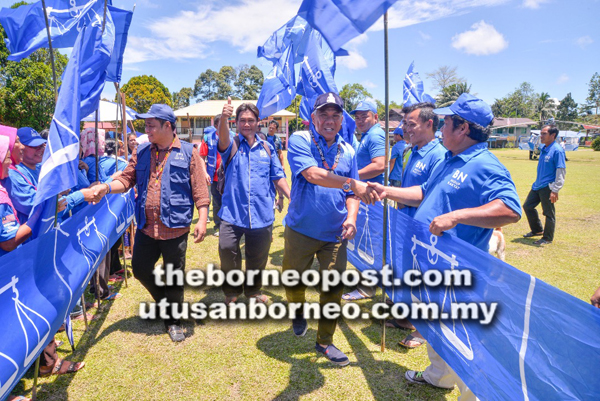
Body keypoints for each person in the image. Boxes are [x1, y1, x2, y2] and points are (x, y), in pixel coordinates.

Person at [368, 93, 522, 400]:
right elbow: (424, 192)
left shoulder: (485, 165)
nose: (441, 128)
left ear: (463, 128)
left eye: (448, 122)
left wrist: (457, 216)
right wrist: (388, 190)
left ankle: (472, 394)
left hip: (457, 269)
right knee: (432, 323)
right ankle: (438, 376)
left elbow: (511, 210)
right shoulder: (449, 158)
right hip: (431, 261)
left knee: (461, 335)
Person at [90, 104, 210, 342]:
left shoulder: (188, 152)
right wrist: (105, 188)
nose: (147, 129)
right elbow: (126, 180)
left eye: (151, 125)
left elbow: (199, 189)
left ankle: (173, 322)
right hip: (146, 225)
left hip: (175, 227)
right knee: (141, 268)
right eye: (146, 125)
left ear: (168, 126)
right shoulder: (143, 152)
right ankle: (167, 305)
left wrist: (203, 219)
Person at [283, 92, 377, 367]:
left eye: (336, 115)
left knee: (333, 290)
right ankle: (298, 310)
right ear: (313, 118)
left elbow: (353, 195)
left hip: (335, 234)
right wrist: (352, 183)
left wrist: (351, 218)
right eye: (324, 114)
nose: (330, 120)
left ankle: (324, 341)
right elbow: (312, 174)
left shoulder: (347, 150)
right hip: (300, 229)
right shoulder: (300, 139)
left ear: (341, 120)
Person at [216, 98, 290, 304]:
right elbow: (222, 138)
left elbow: (278, 175)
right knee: (226, 250)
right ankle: (232, 292)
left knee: (258, 257)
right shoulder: (231, 145)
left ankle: (253, 291)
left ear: (259, 122)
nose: (246, 124)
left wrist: (290, 196)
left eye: (250, 120)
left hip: (261, 213)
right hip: (233, 212)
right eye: (242, 120)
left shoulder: (267, 148)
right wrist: (224, 117)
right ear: (236, 123)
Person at [522, 125, 566, 246]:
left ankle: (547, 238)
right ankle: (537, 230)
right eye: (541, 133)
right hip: (537, 185)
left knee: (548, 213)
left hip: (548, 186)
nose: (541, 136)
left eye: (544, 134)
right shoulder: (544, 148)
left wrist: (555, 189)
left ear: (553, 135)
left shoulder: (557, 150)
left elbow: (561, 170)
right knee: (528, 206)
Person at [198, 114, 227, 237]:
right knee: (217, 202)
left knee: (230, 201)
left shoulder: (232, 136)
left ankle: (230, 226)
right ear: (215, 126)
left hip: (230, 177)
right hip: (214, 177)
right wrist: (204, 173)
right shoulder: (208, 138)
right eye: (222, 123)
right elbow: (201, 157)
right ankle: (218, 226)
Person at [351, 99, 386, 184]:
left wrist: (352, 176)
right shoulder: (367, 134)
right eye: (357, 118)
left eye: (364, 117)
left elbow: (379, 166)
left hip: (373, 192)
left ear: (376, 117)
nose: (360, 121)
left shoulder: (375, 135)